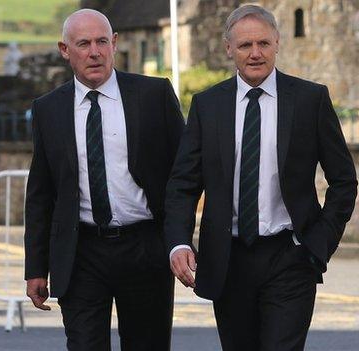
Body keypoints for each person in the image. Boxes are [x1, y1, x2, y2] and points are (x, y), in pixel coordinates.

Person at [164, 5, 358, 351]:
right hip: (228, 259)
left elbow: (343, 179)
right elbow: (183, 183)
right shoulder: (207, 105)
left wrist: (319, 242)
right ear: (228, 49)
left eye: (264, 44)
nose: (255, 53)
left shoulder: (310, 100)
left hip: (291, 257)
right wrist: (179, 241)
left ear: (277, 43)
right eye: (245, 46)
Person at [24, 9, 184, 350]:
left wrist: (180, 240)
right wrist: (36, 268)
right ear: (65, 50)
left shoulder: (153, 95)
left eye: (101, 42)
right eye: (83, 44)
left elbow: (184, 174)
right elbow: (41, 193)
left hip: (145, 247)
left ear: (114, 43)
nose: (94, 52)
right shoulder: (48, 109)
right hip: (81, 251)